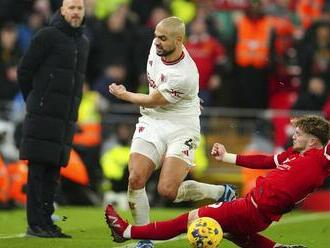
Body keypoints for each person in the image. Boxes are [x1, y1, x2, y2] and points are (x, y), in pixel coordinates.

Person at [105, 115, 330, 248]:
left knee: (190, 219)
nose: (293, 136)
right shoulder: (293, 154)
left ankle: (126, 231)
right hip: (255, 210)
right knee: (232, 232)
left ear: (313, 141)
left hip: (251, 208)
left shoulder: (322, 159)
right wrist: (227, 157)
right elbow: (264, 161)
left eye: (298, 134)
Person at [108, 16, 235, 248]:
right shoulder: (157, 47)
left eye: (163, 38)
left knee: (167, 190)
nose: (156, 42)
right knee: (135, 177)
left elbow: (153, 99)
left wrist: (123, 94)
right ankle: (144, 238)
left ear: (179, 40)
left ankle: (219, 192)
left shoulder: (183, 74)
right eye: (156, 35)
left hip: (182, 127)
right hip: (153, 121)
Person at [17, 0, 89, 238]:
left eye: (79, 8)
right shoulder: (46, 36)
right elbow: (24, 71)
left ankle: (46, 222)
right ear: (62, 11)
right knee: (38, 171)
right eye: (72, 8)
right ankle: (35, 224)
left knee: (53, 173)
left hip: (65, 119)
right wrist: (36, 101)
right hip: (42, 115)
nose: (76, 12)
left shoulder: (83, 42)